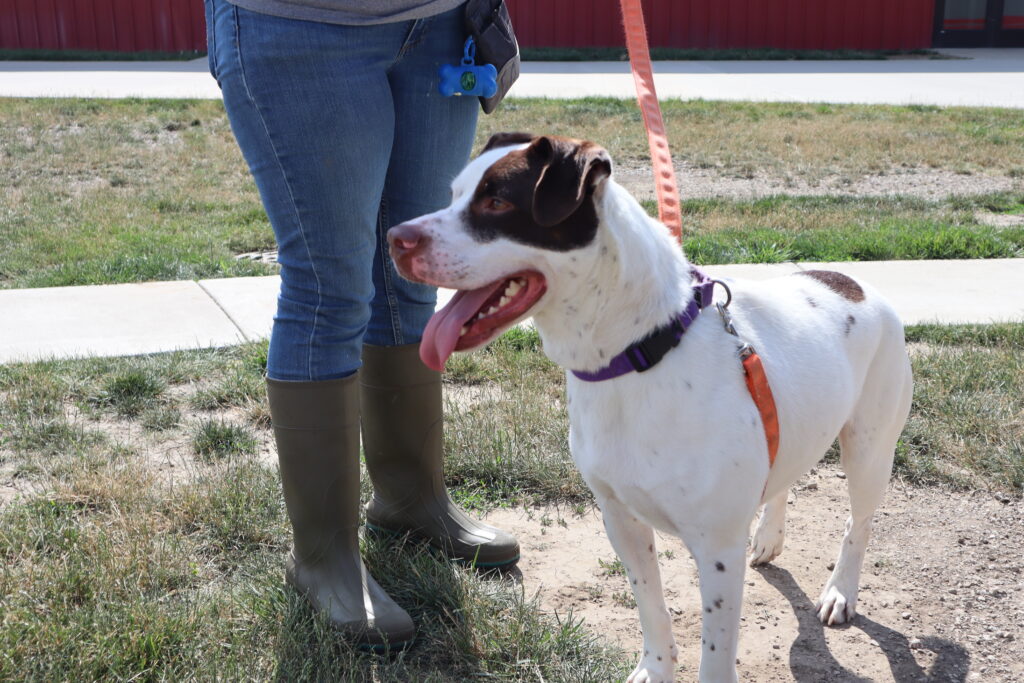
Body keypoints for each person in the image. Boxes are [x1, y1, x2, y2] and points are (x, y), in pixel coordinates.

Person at [204, 0, 520, 649]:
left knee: (414, 270)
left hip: (441, 24)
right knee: (330, 287)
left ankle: (411, 500)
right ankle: (324, 558)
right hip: (300, 24)